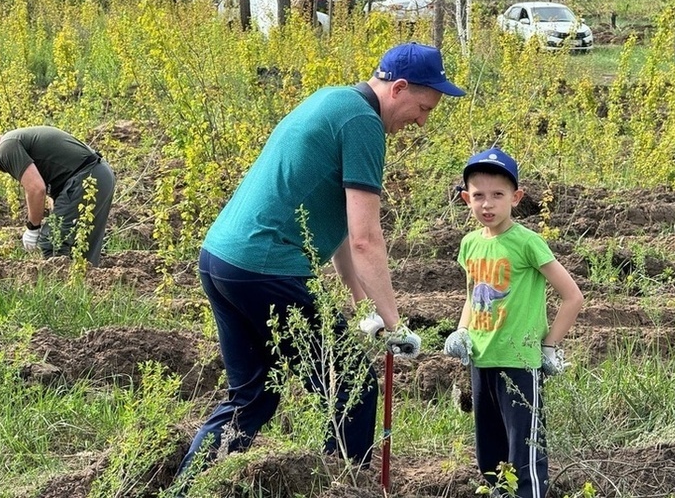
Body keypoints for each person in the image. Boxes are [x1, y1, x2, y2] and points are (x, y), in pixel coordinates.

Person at [176, 42, 466, 483]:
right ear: (399, 88)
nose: (422, 121)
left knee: (252, 398)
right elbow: (368, 238)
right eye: (422, 107)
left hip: (222, 260)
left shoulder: (333, 100)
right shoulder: (364, 124)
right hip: (265, 266)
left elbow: (336, 226)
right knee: (354, 387)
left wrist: (359, 299)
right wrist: (394, 324)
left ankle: (186, 489)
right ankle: (346, 488)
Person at [443, 147, 583, 498]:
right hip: (481, 360)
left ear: (516, 197)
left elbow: (573, 297)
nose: (487, 205)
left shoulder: (527, 242)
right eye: (478, 196)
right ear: (466, 198)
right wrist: (462, 331)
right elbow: (473, 295)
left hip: (519, 363)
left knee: (525, 458)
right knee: (490, 456)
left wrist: (548, 346)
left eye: (497, 195)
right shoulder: (470, 244)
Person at [0, 126, 115, 267]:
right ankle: (86, 286)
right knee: (81, 248)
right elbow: (55, 188)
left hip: (86, 178)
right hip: (100, 176)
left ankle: (62, 286)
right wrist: (56, 217)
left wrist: (33, 228)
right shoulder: (15, 141)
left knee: (52, 241)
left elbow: (36, 189)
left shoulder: (7, 147)